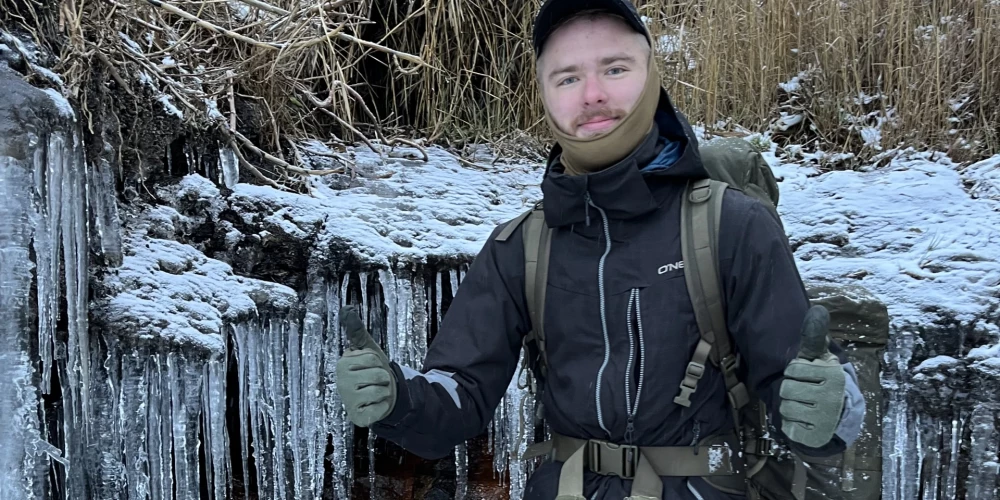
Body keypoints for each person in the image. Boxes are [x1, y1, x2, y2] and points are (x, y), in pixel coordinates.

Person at [334, 0, 865, 498]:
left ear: (652, 76)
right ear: (544, 95)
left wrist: (825, 410)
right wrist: (397, 398)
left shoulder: (733, 226)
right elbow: (460, 394)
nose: (591, 95)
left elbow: (795, 392)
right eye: (568, 77)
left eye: (614, 69)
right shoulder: (520, 246)